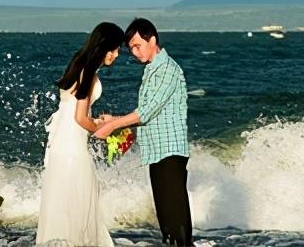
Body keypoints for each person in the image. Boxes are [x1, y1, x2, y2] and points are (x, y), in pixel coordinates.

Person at [94, 18, 192, 246]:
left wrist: (111, 126)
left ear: (153, 40)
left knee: (176, 225)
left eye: (138, 46)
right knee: (167, 225)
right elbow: (148, 113)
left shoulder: (167, 69)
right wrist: (115, 119)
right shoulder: (151, 70)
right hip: (157, 153)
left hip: (170, 153)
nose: (136, 53)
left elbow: (145, 113)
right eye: (132, 49)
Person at [37, 22, 125, 247]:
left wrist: (99, 121)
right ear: (103, 47)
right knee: (79, 208)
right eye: (113, 49)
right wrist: (104, 129)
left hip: (60, 146)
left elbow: (73, 111)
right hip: (73, 150)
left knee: (63, 207)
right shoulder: (89, 74)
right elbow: (80, 118)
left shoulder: (77, 64)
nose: (116, 55)